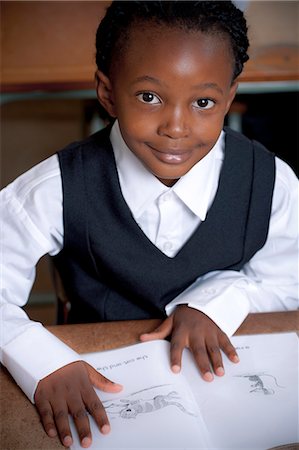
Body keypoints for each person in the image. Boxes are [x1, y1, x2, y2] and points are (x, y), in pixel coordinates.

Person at [1, 1, 297, 448]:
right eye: (149, 97)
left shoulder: (272, 181)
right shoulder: (54, 188)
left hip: (221, 385)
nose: (176, 127)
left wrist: (216, 301)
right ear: (106, 92)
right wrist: (42, 361)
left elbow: (287, 283)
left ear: (229, 98)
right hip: (105, 377)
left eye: (203, 102)